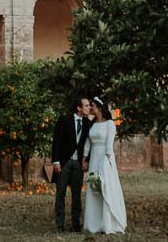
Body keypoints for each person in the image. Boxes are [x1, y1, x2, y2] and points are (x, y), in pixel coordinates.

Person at [84, 96, 126, 234]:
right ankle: (93, 225)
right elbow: (88, 143)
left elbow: (109, 145)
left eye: (92, 106)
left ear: (99, 108)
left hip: (104, 159)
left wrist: (106, 163)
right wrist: (84, 159)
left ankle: (108, 223)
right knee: (93, 188)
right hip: (93, 160)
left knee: (105, 188)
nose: (90, 108)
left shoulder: (109, 124)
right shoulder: (92, 124)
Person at [51, 96, 92, 232]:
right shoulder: (64, 120)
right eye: (86, 105)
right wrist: (56, 161)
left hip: (78, 165)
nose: (89, 108)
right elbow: (56, 141)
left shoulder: (88, 123)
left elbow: (90, 144)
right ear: (79, 108)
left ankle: (76, 224)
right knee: (60, 194)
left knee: (76, 195)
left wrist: (86, 161)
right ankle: (60, 224)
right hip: (64, 163)